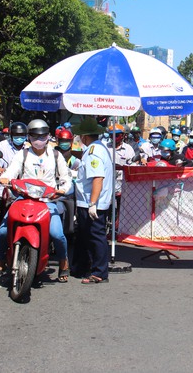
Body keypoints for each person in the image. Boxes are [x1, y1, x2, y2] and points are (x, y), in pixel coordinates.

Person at [0, 119, 72, 282]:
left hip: (48, 200)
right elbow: (12, 171)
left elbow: (66, 178)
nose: (38, 139)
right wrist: (5, 178)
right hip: (24, 198)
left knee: (57, 234)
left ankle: (63, 262)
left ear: (48, 136)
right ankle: (1, 262)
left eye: (42, 136)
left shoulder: (56, 155)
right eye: (35, 135)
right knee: (2, 232)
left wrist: (62, 189)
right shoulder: (23, 154)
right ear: (29, 137)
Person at [70, 117, 113, 284]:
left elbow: (97, 178)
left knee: (95, 237)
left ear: (86, 136)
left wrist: (93, 203)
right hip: (87, 201)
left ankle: (100, 272)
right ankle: (81, 267)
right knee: (84, 236)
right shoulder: (96, 148)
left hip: (92, 202)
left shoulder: (94, 151)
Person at [108, 123, 136, 229]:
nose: (114, 138)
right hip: (107, 182)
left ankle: (119, 225)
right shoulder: (106, 147)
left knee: (122, 206)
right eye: (112, 135)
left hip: (122, 182)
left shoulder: (128, 149)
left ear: (123, 135)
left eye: (117, 135)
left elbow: (132, 165)